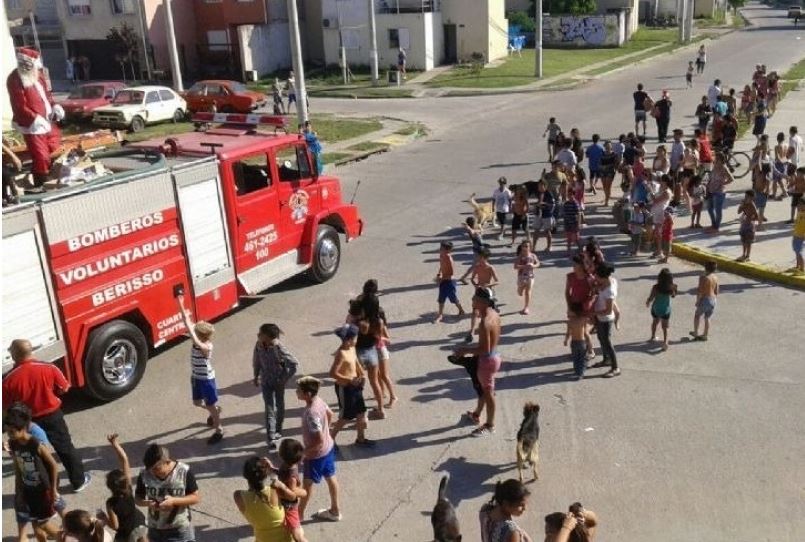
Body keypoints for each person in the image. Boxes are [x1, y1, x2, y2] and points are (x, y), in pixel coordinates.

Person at [3, 339, 90, 492]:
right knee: (65, 448)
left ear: (14, 355)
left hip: (28, 422)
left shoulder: (8, 380)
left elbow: (6, 406)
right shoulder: (49, 368)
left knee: (37, 455)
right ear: (31, 352)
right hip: (53, 416)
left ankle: (46, 489)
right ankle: (79, 481)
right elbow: (64, 388)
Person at [6, 47, 65, 191]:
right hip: (33, 126)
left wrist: (55, 106)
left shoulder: (38, 75)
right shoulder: (15, 79)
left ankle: (50, 177)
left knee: (55, 147)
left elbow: (47, 96)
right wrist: (34, 118)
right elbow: (19, 105)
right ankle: (41, 184)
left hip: (49, 121)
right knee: (41, 157)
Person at [4, 406, 62, 541]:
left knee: (44, 523)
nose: (9, 435)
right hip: (28, 491)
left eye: (12, 432)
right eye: (7, 432)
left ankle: (68, 538)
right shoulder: (13, 444)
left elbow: (54, 465)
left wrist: (53, 489)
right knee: (36, 526)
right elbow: (18, 468)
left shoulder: (35, 443)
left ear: (23, 428)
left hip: (43, 491)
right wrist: (18, 492)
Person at [451, 287, 501, 437]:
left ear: (483, 302)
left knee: (488, 393)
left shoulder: (485, 322)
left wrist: (464, 350)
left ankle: (490, 425)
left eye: (475, 298)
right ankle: (476, 414)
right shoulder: (494, 314)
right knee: (484, 390)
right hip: (494, 356)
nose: (472, 300)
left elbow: (484, 349)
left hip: (487, 361)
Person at [177, 294, 223, 444]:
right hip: (196, 377)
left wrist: (192, 333)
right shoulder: (199, 340)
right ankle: (215, 409)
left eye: (195, 333)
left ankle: (219, 430)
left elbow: (194, 337)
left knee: (210, 405)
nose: (192, 334)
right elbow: (187, 323)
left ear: (201, 336)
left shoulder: (206, 346)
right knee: (197, 403)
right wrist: (181, 303)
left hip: (207, 380)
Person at [295, 376, 341, 522]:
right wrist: (327, 431)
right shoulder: (319, 401)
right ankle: (335, 510)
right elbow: (330, 414)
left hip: (316, 455)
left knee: (307, 486)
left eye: (299, 390)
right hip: (329, 448)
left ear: (307, 394)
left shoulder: (311, 412)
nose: (296, 392)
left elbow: (318, 439)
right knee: (331, 477)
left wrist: (304, 453)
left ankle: (299, 515)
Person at [134, 443, 200, 542]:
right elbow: (138, 499)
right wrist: (148, 503)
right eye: (150, 469)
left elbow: (196, 497)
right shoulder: (144, 474)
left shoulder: (184, 471)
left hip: (179, 530)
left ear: (167, 461)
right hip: (155, 530)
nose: (153, 473)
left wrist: (174, 501)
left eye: (157, 468)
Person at [253, 323, 299, 452]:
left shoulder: (279, 348)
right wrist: (256, 376)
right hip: (266, 382)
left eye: (260, 333)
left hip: (278, 382)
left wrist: (284, 380)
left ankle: (278, 429)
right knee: (269, 409)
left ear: (267, 336)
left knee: (280, 406)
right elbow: (256, 361)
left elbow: (294, 364)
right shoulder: (258, 345)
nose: (258, 335)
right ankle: (271, 437)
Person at [330, 324, 374, 447]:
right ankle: (330, 440)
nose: (356, 340)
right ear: (348, 340)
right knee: (345, 417)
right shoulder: (341, 354)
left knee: (361, 412)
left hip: (355, 385)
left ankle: (360, 439)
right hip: (345, 388)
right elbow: (333, 373)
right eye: (355, 338)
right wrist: (349, 379)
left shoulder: (352, 348)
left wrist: (362, 374)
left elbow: (356, 362)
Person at [233, 456, 295, 542]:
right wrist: (273, 471)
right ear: (265, 474)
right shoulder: (275, 490)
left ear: (246, 476)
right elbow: (293, 497)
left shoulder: (238, 496)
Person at [104, 434, 147, 542]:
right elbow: (124, 460)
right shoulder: (128, 489)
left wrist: (104, 518)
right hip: (139, 522)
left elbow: (115, 526)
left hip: (126, 533)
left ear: (109, 487)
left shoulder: (111, 503)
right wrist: (114, 443)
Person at [464, 247, 499, 343]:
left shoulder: (490, 268)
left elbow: (497, 281)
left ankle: (487, 333)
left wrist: (488, 285)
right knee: (475, 312)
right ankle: (471, 332)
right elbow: (472, 279)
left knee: (486, 315)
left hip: (488, 293)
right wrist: (475, 285)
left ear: (484, 257)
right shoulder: (477, 266)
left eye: (479, 256)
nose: (477, 258)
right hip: (479, 292)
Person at [592, 262, 620, 378]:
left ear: (603, 276)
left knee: (607, 342)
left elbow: (608, 311)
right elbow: (600, 287)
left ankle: (615, 368)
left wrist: (593, 313)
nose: (595, 277)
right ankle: (606, 359)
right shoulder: (611, 280)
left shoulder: (609, 292)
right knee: (600, 338)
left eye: (597, 276)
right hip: (600, 318)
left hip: (606, 319)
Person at [277, 440, 308, 542]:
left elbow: (292, 493)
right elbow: (281, 474)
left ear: (281, 455)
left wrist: (304, 492)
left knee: (297, 535)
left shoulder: (291, 476)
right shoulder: (286, 465)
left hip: (289, 507)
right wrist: (271, 469)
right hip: (284, 504)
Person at [646, 268, 678, 351]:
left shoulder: (655, 287)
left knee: (655, 322)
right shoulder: (672, 287)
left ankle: (653, 336)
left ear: (659, 277)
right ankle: (665, 342)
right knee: (665, 327)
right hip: (666, 309)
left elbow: (651, 297)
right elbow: (674, 296)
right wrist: (674, 290)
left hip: (656, 308)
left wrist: (648, 302)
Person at [435, 241, 466, 322]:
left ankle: (461, 310)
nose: (440, 249)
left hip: (449, 282)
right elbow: (441, 266)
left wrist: (441, 278)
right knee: (441, 299)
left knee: (453, 299)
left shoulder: (449, 259)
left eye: (442, 248)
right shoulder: (441, 255)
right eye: (440, 248)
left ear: (448, 250)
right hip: (443, 280)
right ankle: (440, 315)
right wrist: (439, 273)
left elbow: (451, 273)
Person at [691, 260, 719, 341]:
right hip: (713, 299)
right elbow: (717, 291)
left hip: (705, 299)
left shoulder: (703, 278)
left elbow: (700, 291)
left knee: (697, 315)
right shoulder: (715, 277)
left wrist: (697, 301)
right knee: (707, 317)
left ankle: (696, 332)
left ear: (705, 268)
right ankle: (705, 335)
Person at [706, 152, 734, 233]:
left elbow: (731, 179)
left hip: (719, 192)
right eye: (716, 158)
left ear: (722, 160)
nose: (716, 160)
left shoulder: (724, 168)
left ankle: (716, 227)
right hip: (711, 190)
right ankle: (713, 224)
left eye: (718, 159)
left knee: (718, 210)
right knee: (709, 208)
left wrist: (722, 184)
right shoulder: (714, 166)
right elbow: (711, 178)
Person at [514, 240, 540, 315]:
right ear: (521, 247)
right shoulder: (520, 256)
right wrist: (525, 266)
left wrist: (534, 266)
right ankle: (519, 289)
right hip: (521, 277)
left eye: (527, 246)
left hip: (530, 277)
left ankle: (526, 307)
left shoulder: (533, 256)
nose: (525, 248)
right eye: (523, 246)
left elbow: (538, 263)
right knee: (520, 292)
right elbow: (515, 266)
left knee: (528, 292)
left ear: (530, 247)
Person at [565, 302, 588, 380]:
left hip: (573, 342)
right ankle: (581, 373)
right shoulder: (583, 320)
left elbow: (568, 333)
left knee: (575, 357)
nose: (567, 312)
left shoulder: (570, 322)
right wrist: (590, 344)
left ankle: (576, 370)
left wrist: (566, 340)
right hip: (582, 342)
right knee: (582, 357)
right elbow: (586, 333)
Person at [532, 180, 556, 251]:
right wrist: (536, 205)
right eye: (538, 186)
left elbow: (553, 205)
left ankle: (549, 246)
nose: (539, 187)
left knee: (547, 231)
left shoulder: (549, 194)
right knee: (536, 230)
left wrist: (544, 204)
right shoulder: (538, 193)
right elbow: (537, 202)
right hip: (538, 214)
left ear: (545, 186)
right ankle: (533, 247)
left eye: (541, 186)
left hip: (547, 215)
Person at [737, 190, 759, 262]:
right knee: (743, 241)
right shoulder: (744, 203)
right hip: (743, 224)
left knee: (748, 242)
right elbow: (738, 212)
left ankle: (747, 256)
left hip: (749, 225)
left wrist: (750, 218)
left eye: (748, 197)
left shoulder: (752, 205)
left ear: (752, 198)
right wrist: (742, 205)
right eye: (745, 196)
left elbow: (757, 217)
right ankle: (743, 254)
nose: (746, 198)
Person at [599, 140, 619, 207]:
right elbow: (599, 163)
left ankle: (607, 201)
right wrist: (601, 167)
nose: (608, 147)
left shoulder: (614, 154)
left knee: (608, 186)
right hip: (602, 171)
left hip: (610, 171)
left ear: (611, 147)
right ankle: (606, 196)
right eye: (606, 146)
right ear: (604, 146)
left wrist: (609, 166)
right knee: (604, 186)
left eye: (609, 146)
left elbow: (616, 164)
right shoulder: (602, 154)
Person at [792, 198, 805, 273]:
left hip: (801, 237)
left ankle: (802, 268)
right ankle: (797, 266)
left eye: (801, 204)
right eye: (798, 204)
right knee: (796, 251)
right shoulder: (799, 212)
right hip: (796, 235)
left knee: (799, 252)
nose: (799, 206)